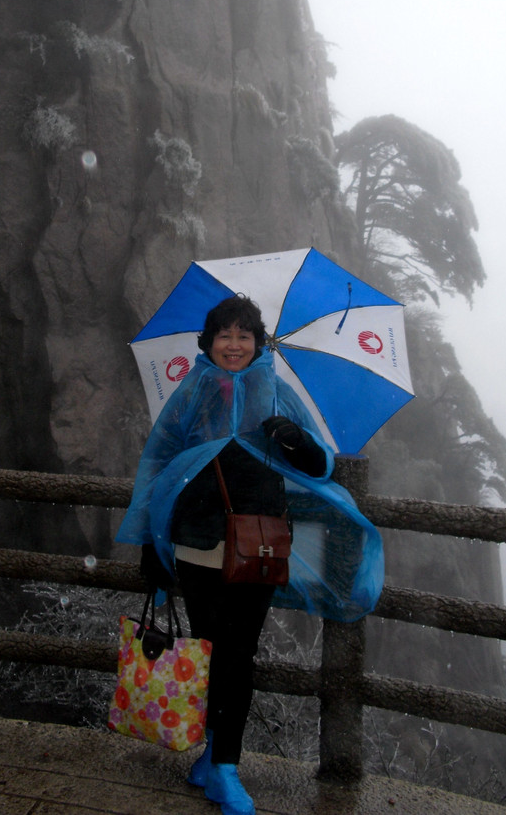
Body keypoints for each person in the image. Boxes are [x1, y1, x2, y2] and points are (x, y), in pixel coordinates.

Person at [116, 295, 383, 815]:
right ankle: (217, 757)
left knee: (238, 654)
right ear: (208, 342)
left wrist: (291, 440)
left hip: (258, 544)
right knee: (213, 650)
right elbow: (158, 463)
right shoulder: (190, 393)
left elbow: (320, 462)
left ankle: (223, 767)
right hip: (197, 543)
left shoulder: (278, 391)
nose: (233, 345)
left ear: (258, 343)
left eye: (244, 335)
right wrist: (150, 539)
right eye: (224, 335)